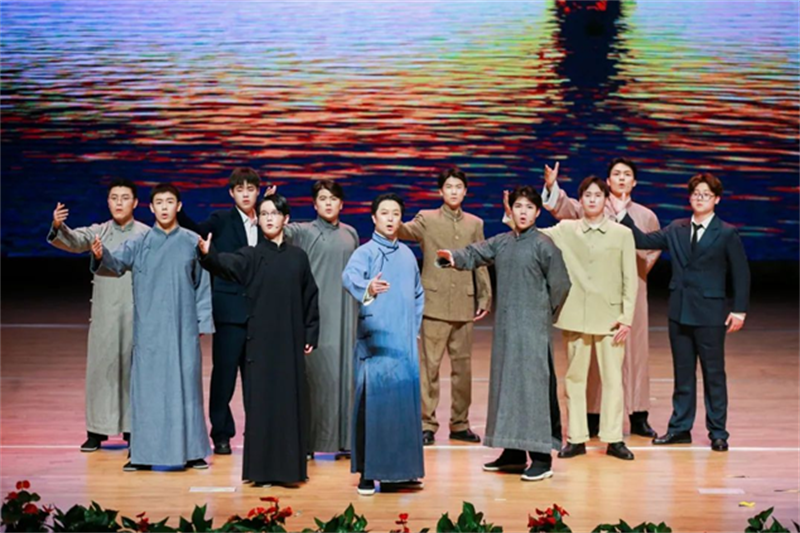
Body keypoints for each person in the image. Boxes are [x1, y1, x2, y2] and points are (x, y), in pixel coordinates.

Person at [437, 186, 570, 481]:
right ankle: (513, 453)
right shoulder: (502, 242)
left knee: (533, 390)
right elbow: (476, 252)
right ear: (511, 210)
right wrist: (453, 257)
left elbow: (561, 285)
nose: (523, 212)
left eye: (529, 207)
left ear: (537, 212)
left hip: (533, 330)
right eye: (518, 206)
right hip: (507, 330)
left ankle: (541, 458)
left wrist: (542, 315)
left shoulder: (544, 245)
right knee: (507, 386)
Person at [613, 173, 750, 452]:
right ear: (690, 198)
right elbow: (642, 240)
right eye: (696, 194)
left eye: (706, 194)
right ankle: (679, 428)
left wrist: (739, 310)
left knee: (713, 375)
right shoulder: (677, 228)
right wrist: (622, 214)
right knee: (683, 374)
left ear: (716, 199)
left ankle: (718, 432)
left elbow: (741, 273)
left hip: (710, 313)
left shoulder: (726, 232)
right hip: (680, 311)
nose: (700, 198)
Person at [506, 176, 638, 461]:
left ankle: (613, 438)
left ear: (606, 200)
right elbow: (533, 233)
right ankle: (576, 438)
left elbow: (630, 277)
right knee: (574, 380)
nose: (592, 200)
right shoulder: (566, 229)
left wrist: (627, 317)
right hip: (576, 314)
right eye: (587, 195)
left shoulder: (622, 234)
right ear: (581, 200)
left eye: (597, 195)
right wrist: (513, 214)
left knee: (613, 380)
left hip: (611, 318)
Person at [91, 183, 213, 471]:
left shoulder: (191, 241)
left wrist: (201, 321)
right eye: (159, 202)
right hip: (149, 328)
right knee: (148, 391)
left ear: (178, 207)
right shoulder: (141, 241)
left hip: (183, 327)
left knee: (187, 388)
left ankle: (193, 452)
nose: (164, 207)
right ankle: (142, 454)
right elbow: (116, 263)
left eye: (170, 202)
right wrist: (99, 255)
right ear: (152, 207)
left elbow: (202, 283)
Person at [199, 194, 320, 486]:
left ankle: (290, 471)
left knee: (289, 402)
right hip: (261, 342)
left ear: (285, 219)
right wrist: (208, 253)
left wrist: (310, 333)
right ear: (258, 220)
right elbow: (225, 265)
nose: (268, 218)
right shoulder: (251, 256)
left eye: (274, 213)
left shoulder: (298, 257)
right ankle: (261, 472)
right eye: (264, 214)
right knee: (261, 403)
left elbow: (310, 297)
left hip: (290, 340)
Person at [540, 158, 661, 437]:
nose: (621, 178)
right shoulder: (593, 205)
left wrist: (635, 271)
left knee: (634, 354)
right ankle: (592, 415)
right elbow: (564, 207)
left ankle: (638, 414)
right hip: (595, 293)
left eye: (627, 174)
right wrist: (552, 186)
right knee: (591, 359)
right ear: (608, 181)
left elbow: (653, 250)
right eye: (616, 174)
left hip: (631, 287)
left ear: (634, 182)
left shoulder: (646, 215)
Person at [47, 179, 148, 452]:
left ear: (135, 203)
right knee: (101, 370)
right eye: (114, 197)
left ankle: (133, 430)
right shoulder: (99, 231)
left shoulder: (146, 234)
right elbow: (75, 240)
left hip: (136, 312)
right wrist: (58, 226)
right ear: (108, 202)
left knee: (133, 372)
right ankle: (96, 431)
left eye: (124, 198)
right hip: (105, 312)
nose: (119, 202)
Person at [397, 166, 492, 446]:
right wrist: (389, 214)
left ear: (465, 191)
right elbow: (403, 231)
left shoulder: (474, 223)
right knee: (430, 368)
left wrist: (484, 296)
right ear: (441, 191)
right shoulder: (426, 219)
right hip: (434, 304)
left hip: (463, 303)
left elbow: (480, 260)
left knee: (463, 369)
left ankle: (460, 424)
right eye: (448, 186)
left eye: (458, 187)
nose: (453, 191)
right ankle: (426, 424)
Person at [342, 193, 425, 496]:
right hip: (376, 344)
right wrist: (369, 287)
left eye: (396, 214)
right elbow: (348, 277)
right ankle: (367, 473)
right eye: (385, 213)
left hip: (403, 343)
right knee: (373, 408)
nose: (390, 219)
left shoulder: (407, 254)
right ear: (374, 218)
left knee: (401, 408)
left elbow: (418, 294)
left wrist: (413, 329)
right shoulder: (365, 252)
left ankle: (398, 472)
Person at [178, 167, 263, 455]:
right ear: (231, 193)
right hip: (229, 311)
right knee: (224, 376)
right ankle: (222, 434)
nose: (245, 194)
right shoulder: (222, 220)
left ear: (258, 191)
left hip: (260, 311)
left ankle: (257, 432)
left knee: (257, 378)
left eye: (250, 189)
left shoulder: (267, 219)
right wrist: (177, 210)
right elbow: (196, 232)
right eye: (240, 189)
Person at [280, 180, 359, 457]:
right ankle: (311, 443)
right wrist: (267, 206)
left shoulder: (350, 233)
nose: (328, 203)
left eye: (333, 198)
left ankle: (346, 442)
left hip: (347, 314)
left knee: (346, 379)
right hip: (317, 316)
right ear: (314, 204)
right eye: (323, 198)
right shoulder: (303, 231)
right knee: (318, 379)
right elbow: (274, 228)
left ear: (341, 204)